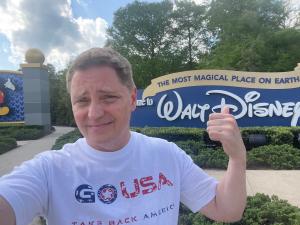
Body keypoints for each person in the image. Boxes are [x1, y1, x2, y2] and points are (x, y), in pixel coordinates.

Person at [0, 48, 246, 225]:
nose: (94, 113)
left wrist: (237, 157)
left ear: (131, 99)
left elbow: (226, 210)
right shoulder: (49, 170)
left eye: (108, 97)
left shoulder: (167, 155)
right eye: (82, 101)